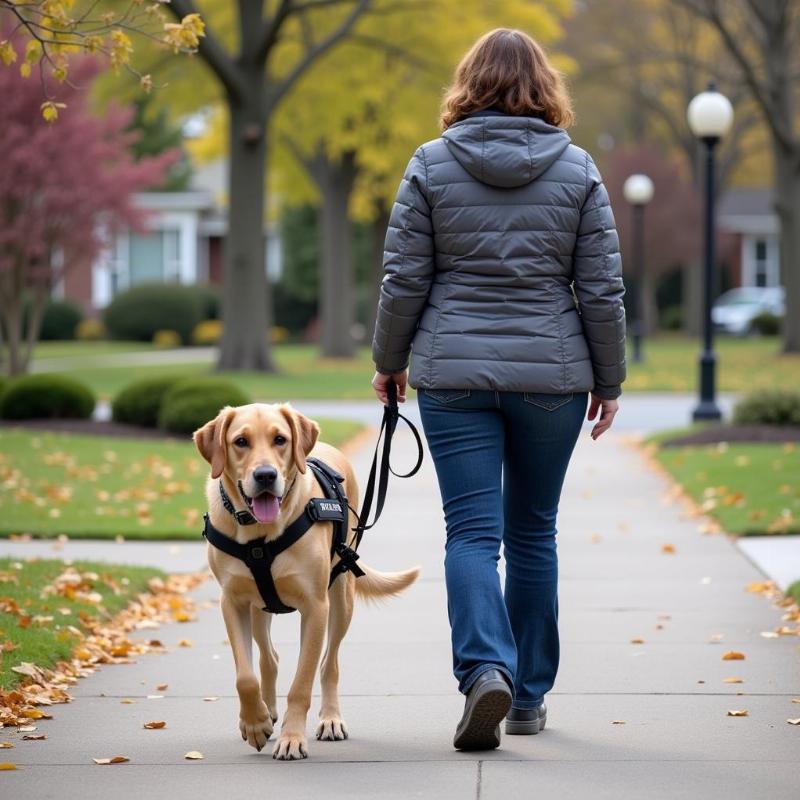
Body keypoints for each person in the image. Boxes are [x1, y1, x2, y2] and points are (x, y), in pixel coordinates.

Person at [370, 28, 626, 751]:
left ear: (466, 85)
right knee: (534, 532)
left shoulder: (430, 164)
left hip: (453, 375)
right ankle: (529, 698)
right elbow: (601, 291)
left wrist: (390, 361)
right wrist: (609, 379)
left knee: (473, 535)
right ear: (545, 88)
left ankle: (486, 668)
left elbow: (404, 280)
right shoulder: (578, 171)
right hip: (552, 377)